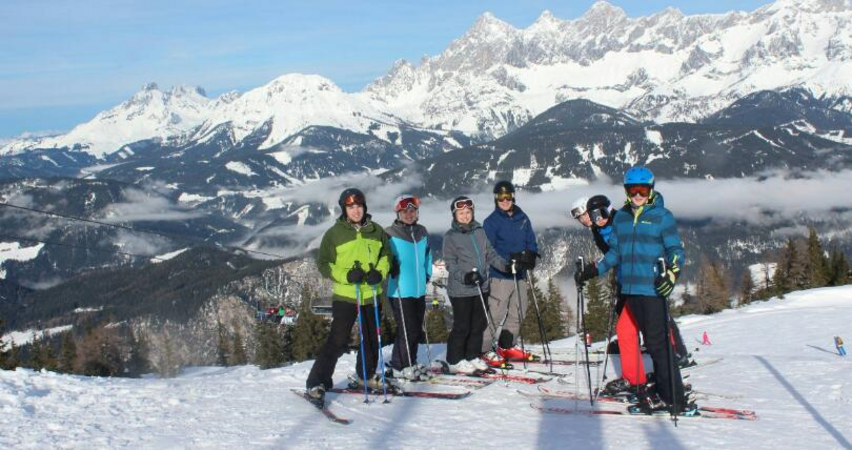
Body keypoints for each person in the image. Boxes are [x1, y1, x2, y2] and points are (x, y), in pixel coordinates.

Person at [576, 167, 693, 414]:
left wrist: (670, 275)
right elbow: (615, 253)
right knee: (627, 332)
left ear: (651, 190)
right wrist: (593, 270)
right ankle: (640, 380)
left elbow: (675, 251)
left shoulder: (662, 216)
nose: (638, 194)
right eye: (633, 190)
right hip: (629, 290)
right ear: (627, 191)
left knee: (657, 345)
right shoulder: (622, 218)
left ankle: (673, 399)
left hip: (651, 289)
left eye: (643, 190)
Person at [305, 188, 390, 402]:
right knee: (338, 339)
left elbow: (386, 256)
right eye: (351, 207)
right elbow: (324, 264)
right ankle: (317, 381)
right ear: (344, 209)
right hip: (346, 296)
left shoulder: (376, 231)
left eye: (359, 206)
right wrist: (346, 275)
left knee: (370, 338)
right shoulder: (334, 234)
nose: (356, 211)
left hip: (371, 294)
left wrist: (379, 272)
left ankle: (365, 375)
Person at [443, 196, 506, 374]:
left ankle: (471, 355)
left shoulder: (480, 231)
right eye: (461, 213)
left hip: (481, 286)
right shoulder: (451, 236)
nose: (465, 216)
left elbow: (491, 254)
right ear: (455, 215)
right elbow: (450, 263)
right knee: (462, 325)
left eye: (468, 212)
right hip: (461, 289)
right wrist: (466, 276)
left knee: (478, 324)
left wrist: (506, 265)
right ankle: (454, 360)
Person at [481, 181, 539, 363]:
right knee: (496, 314)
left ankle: (506, 345)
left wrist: (530, 256)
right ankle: (483, 349)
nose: (505, 200)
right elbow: (488, 251)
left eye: (508, 196)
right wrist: (505, 264)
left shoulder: (522, 217)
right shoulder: (491, 222)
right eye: (500, 197)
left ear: (513, 196)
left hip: (520, 273)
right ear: (496, 199)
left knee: (519, 310)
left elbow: (531, 240)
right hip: (500, 276)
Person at [386, 194, 433, 381]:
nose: (409, 214)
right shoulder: (389, 234)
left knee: (415, 329)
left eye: (412, 210)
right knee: (408, 329)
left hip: (419, 290)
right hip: (399, 290)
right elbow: (383, 258)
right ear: (398, 213)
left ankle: (409, 362)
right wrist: (390, 266)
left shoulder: (422, 232)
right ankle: (400, 365)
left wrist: (427, 274)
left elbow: (428, 256)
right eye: (404, 211)